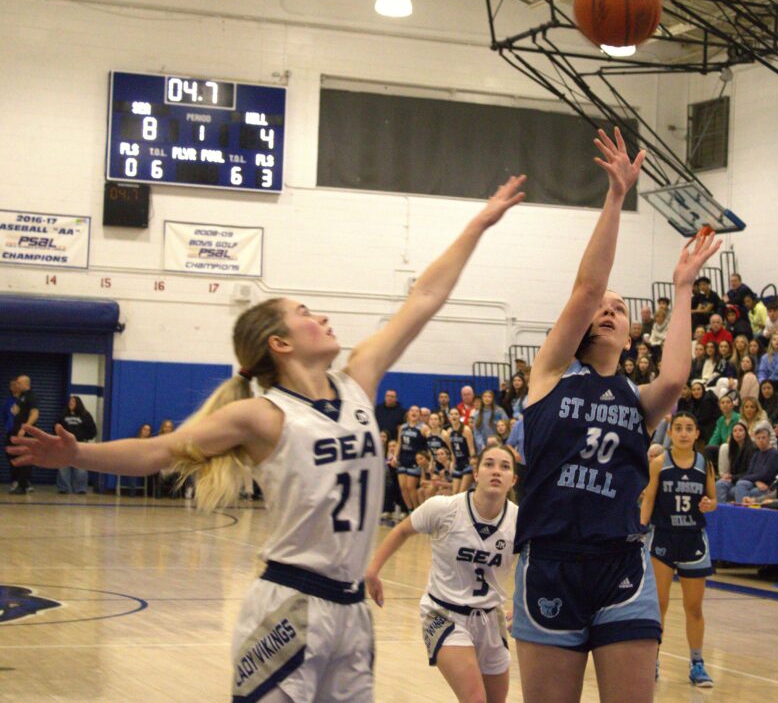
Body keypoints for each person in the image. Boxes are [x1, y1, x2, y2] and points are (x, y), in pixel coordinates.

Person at [8, 175, 527, 702]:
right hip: (289, 604)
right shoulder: (263, 416)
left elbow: (426, 296)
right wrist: (78, 453)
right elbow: (158, 451)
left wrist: (477, 225)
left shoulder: (359, 380)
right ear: (279, 344)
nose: (321, 317)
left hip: (351, 612)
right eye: (304, 313)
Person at [511, 127, 720, 703]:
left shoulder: (637, 397)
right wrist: (615, 197)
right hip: (551, 559)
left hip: (623, 562)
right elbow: (586, 288)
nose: (607, 310)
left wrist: (683, 287)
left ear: (631, 334)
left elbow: (676, 379)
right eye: (601, 308)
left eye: (620, 309)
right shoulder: (551, 373)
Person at [365, 444, 518, 703]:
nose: (496, 471)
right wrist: (372, 570)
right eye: (489, 464)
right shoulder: (445, 508)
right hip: (445, 614)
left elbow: (534, 563)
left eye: (505, 467)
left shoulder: (520, 520)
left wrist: (525, 604)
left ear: (513, 479)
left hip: (490, 618)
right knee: (474, 699)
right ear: (476, 473)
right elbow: (402, 530)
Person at [639, 412, 717, 687]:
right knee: (658, 605)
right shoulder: (659, 463)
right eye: (679, 428)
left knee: (693, 607)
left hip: (693, 540)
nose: (684, 433)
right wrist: (640, 529)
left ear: (697, 434)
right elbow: (648, 499)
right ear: (670, 433)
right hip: (663, 539)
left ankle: (697, 663)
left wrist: (709, 504)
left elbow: (712, 499)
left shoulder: (704, 464)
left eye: (689, 428)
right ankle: (653, 660)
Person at [731, 422, 778, 502]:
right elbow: (749, 472)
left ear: (769, 439)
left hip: (769, 486)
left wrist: (746, 478)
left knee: (748, 490)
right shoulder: (757, 453)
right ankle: (742, 510)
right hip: (757, 483)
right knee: (739, 485)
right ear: (755, 440)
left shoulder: (774, 454)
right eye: (758, 438)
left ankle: (743, 511)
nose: (761, 440)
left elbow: (765, 475)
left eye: (763, 438)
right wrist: (756, 482)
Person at [55, 396, 97, 495]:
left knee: (81, 467)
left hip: (80, 443)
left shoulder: (85, 415)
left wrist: (83, 437)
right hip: (65, 444)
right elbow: (56, 427)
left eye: (73, 401)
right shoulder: (63, 415)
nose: (71, 403)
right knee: (63, 466)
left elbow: (93, 431)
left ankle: (80, 488)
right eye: (70, 401)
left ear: (78, 403)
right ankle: (63, 488)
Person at [9, 374, 39, 494]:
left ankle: (23, 486)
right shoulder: (22, 397)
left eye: (19, 383)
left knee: (25, 459)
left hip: (25, 434)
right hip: (17, 434)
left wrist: (25, 429)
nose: (17, 385)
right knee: (17, 458)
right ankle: (20, 484)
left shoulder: (31, 396)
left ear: (26, 384)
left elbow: (35, 414)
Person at [397, 406, 430, 510]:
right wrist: (394, 457)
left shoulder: (423, 428)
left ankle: (416, 510)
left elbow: (430, 442)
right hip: (403, 458)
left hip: (415, 459)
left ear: (419, 415)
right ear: (408, 413)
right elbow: (399, 443)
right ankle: (409, 510)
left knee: (410, 487)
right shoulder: (402, 427)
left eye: (417, 411)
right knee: (403, 487)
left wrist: (428, 459)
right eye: (412, 410)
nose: (414, 412)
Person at [715, 422, 753, 501]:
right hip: (735, 479)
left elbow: (750, 472)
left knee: (736, 487)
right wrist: (728, 476)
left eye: (740, 430)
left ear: (746, 433)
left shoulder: (751, 448)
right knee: (719, 484)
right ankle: (722, 511)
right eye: (735, 431)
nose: (737, 433)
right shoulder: (733, 448)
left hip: (747, 479)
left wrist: (732, 477)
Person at [447, 407, 477, 496]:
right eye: (452, 414)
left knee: (461, 493)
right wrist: (452, 462)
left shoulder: (466, 430)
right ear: (449, 417)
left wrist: (474, 464)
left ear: (460, 416)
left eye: (456, 414)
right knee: (454, 492)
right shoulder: (449, 431)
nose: (454, 416)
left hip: (467, 463)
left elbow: (471, 448)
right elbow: (452, 450)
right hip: (458, 463)